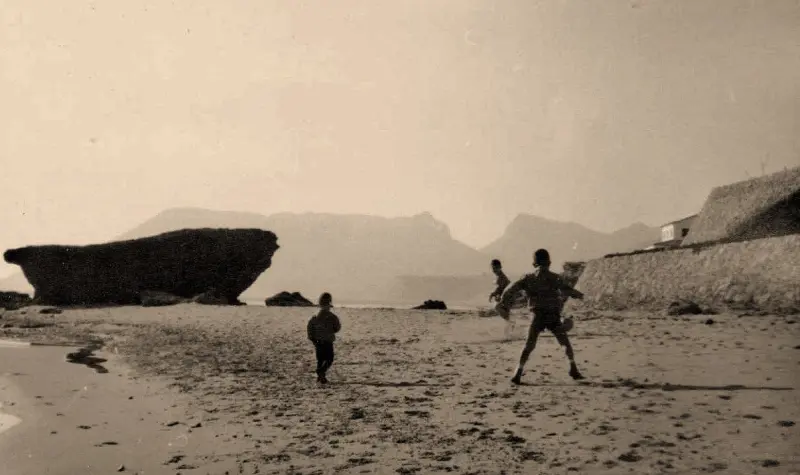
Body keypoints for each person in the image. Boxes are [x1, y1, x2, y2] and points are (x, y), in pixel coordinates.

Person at [496, 249, 586, 384]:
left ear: (533, 264)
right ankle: (573, 368)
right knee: (565, 343)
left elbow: (510, 290)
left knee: (529, 345)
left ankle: (518, 372)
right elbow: (567, 290)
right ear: (549, 263)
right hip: (553, 316)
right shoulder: (554, 277)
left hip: (536, 315)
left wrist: (503, 302)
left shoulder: (527, 278)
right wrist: (580, 295)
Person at [307, 292, 341, 384]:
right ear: (329, 304)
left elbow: (310, 328)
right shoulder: (332, 317)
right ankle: (321, 372)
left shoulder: (314, 317)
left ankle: (320, 377)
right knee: (329, 359)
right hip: (327, 342)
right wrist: (331, 331)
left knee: (320, 359)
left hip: (317, 341)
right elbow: (337, 328)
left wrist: (312, 338)